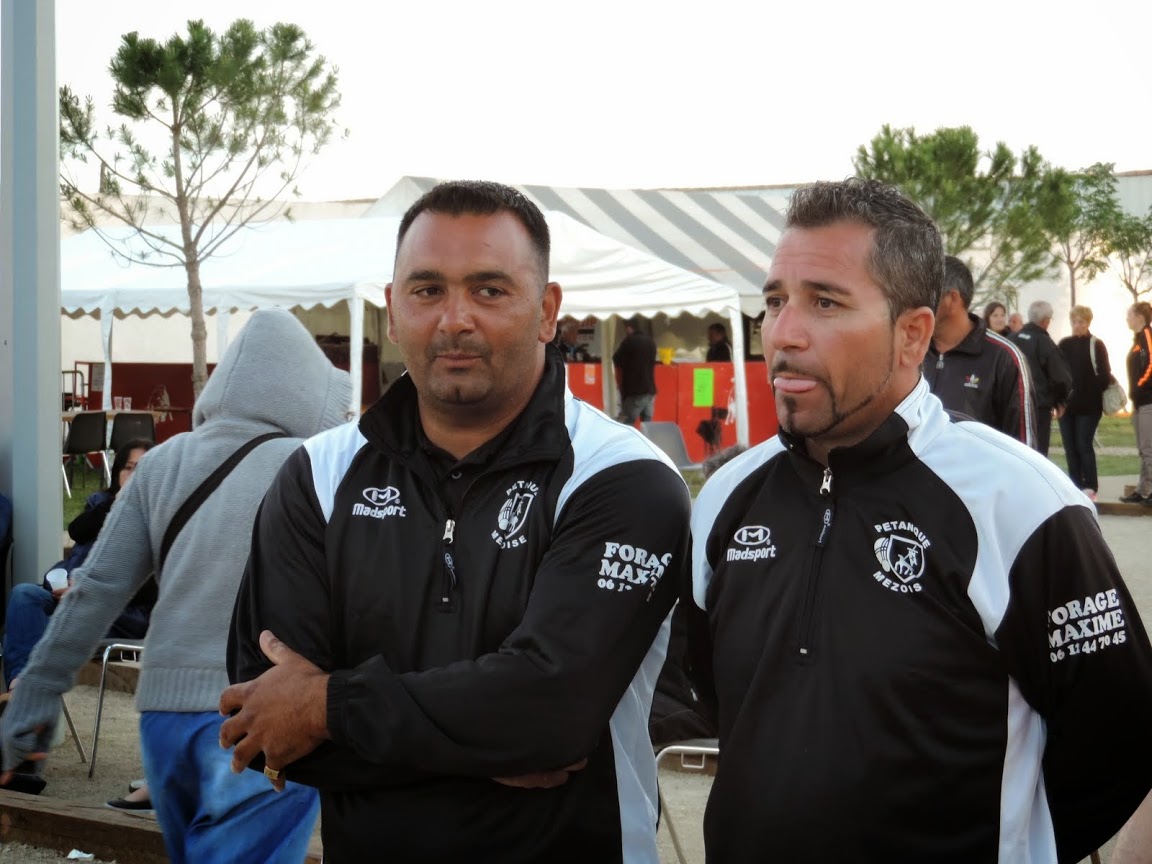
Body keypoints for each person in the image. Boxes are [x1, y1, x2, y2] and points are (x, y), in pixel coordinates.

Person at [219, 180, 690, 863]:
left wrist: (325, 708)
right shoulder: (316, 474)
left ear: (547, 310)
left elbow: (548, 713)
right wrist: (484, 737)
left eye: (490, 289)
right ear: (393, 306)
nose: (454, 318)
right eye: (427, 289)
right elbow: (261, 723)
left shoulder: (623, 477)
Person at [686, 177, 1152, 863]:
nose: (783, 334)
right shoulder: (727, 495)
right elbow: (715, 696)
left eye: (825, 303)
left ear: (912, 334)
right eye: (775, 302)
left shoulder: (1019, 503)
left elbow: (1117, 742)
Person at [0, 308, 351, 864]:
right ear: (306, 394)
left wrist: (39, 689)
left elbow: (94, 590)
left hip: (162, 718)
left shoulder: (161, 463)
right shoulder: (311, 466)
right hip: (259, 712)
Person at [2, 439, 157, 694]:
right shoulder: (101, 503)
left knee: (25, 631)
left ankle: (31, 697)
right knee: (24, 596)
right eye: (128, 468)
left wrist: (89, 589)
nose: (133, 476)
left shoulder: (158, 516)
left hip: (117, 612)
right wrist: (116, 505)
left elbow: (152, 586)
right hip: (70, 599)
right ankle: (20, 689)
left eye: (141, 469)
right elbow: (77, 530)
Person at [924, 255, 1036, 446]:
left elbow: (1024, 448)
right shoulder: (909, 350)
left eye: (923, 292)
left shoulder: (1004, 358)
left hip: (977, 475)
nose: (912, 300)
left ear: (952, 299)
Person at [1057, 305, 1111, 501]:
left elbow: (1105, 376)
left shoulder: (1096, 344)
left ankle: (1090, 487)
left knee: (1083, 445)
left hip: (1089, 407)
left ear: (1088, 322)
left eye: (1081, 321)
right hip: (1067, 406)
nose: (1077, 325)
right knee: (1070, 448)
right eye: (1074, 322)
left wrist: (1090, 390)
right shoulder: (1064, 344)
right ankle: (1074, 486)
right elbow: (1057, 372)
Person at [1011, 300, 1074, 457]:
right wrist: (1059, 400)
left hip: (1012, 406)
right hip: (1038, 407)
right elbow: (1061, 378)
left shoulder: (1011, 340)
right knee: (1037, 453)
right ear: (1046, 321)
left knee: (1015, 451)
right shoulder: (1045, 343)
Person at [1121, 301, 1152, 504]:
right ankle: (1143, 490)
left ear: (1139, 316)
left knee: (1149, 448)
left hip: (1148, 400)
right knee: (1143, 448)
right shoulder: (1137, 339)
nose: (1127, 318)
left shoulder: (1147, 335)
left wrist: (1140, 387)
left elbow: (1151, 363)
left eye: (1129, 315)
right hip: (1139, 403)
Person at [613, 315, 658, 423]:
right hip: (650, 391)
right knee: (647, 426)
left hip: (635, 391)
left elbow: (616, 359)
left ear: (629, 328)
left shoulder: (629, 341)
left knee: (624, 423)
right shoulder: (651, 342)